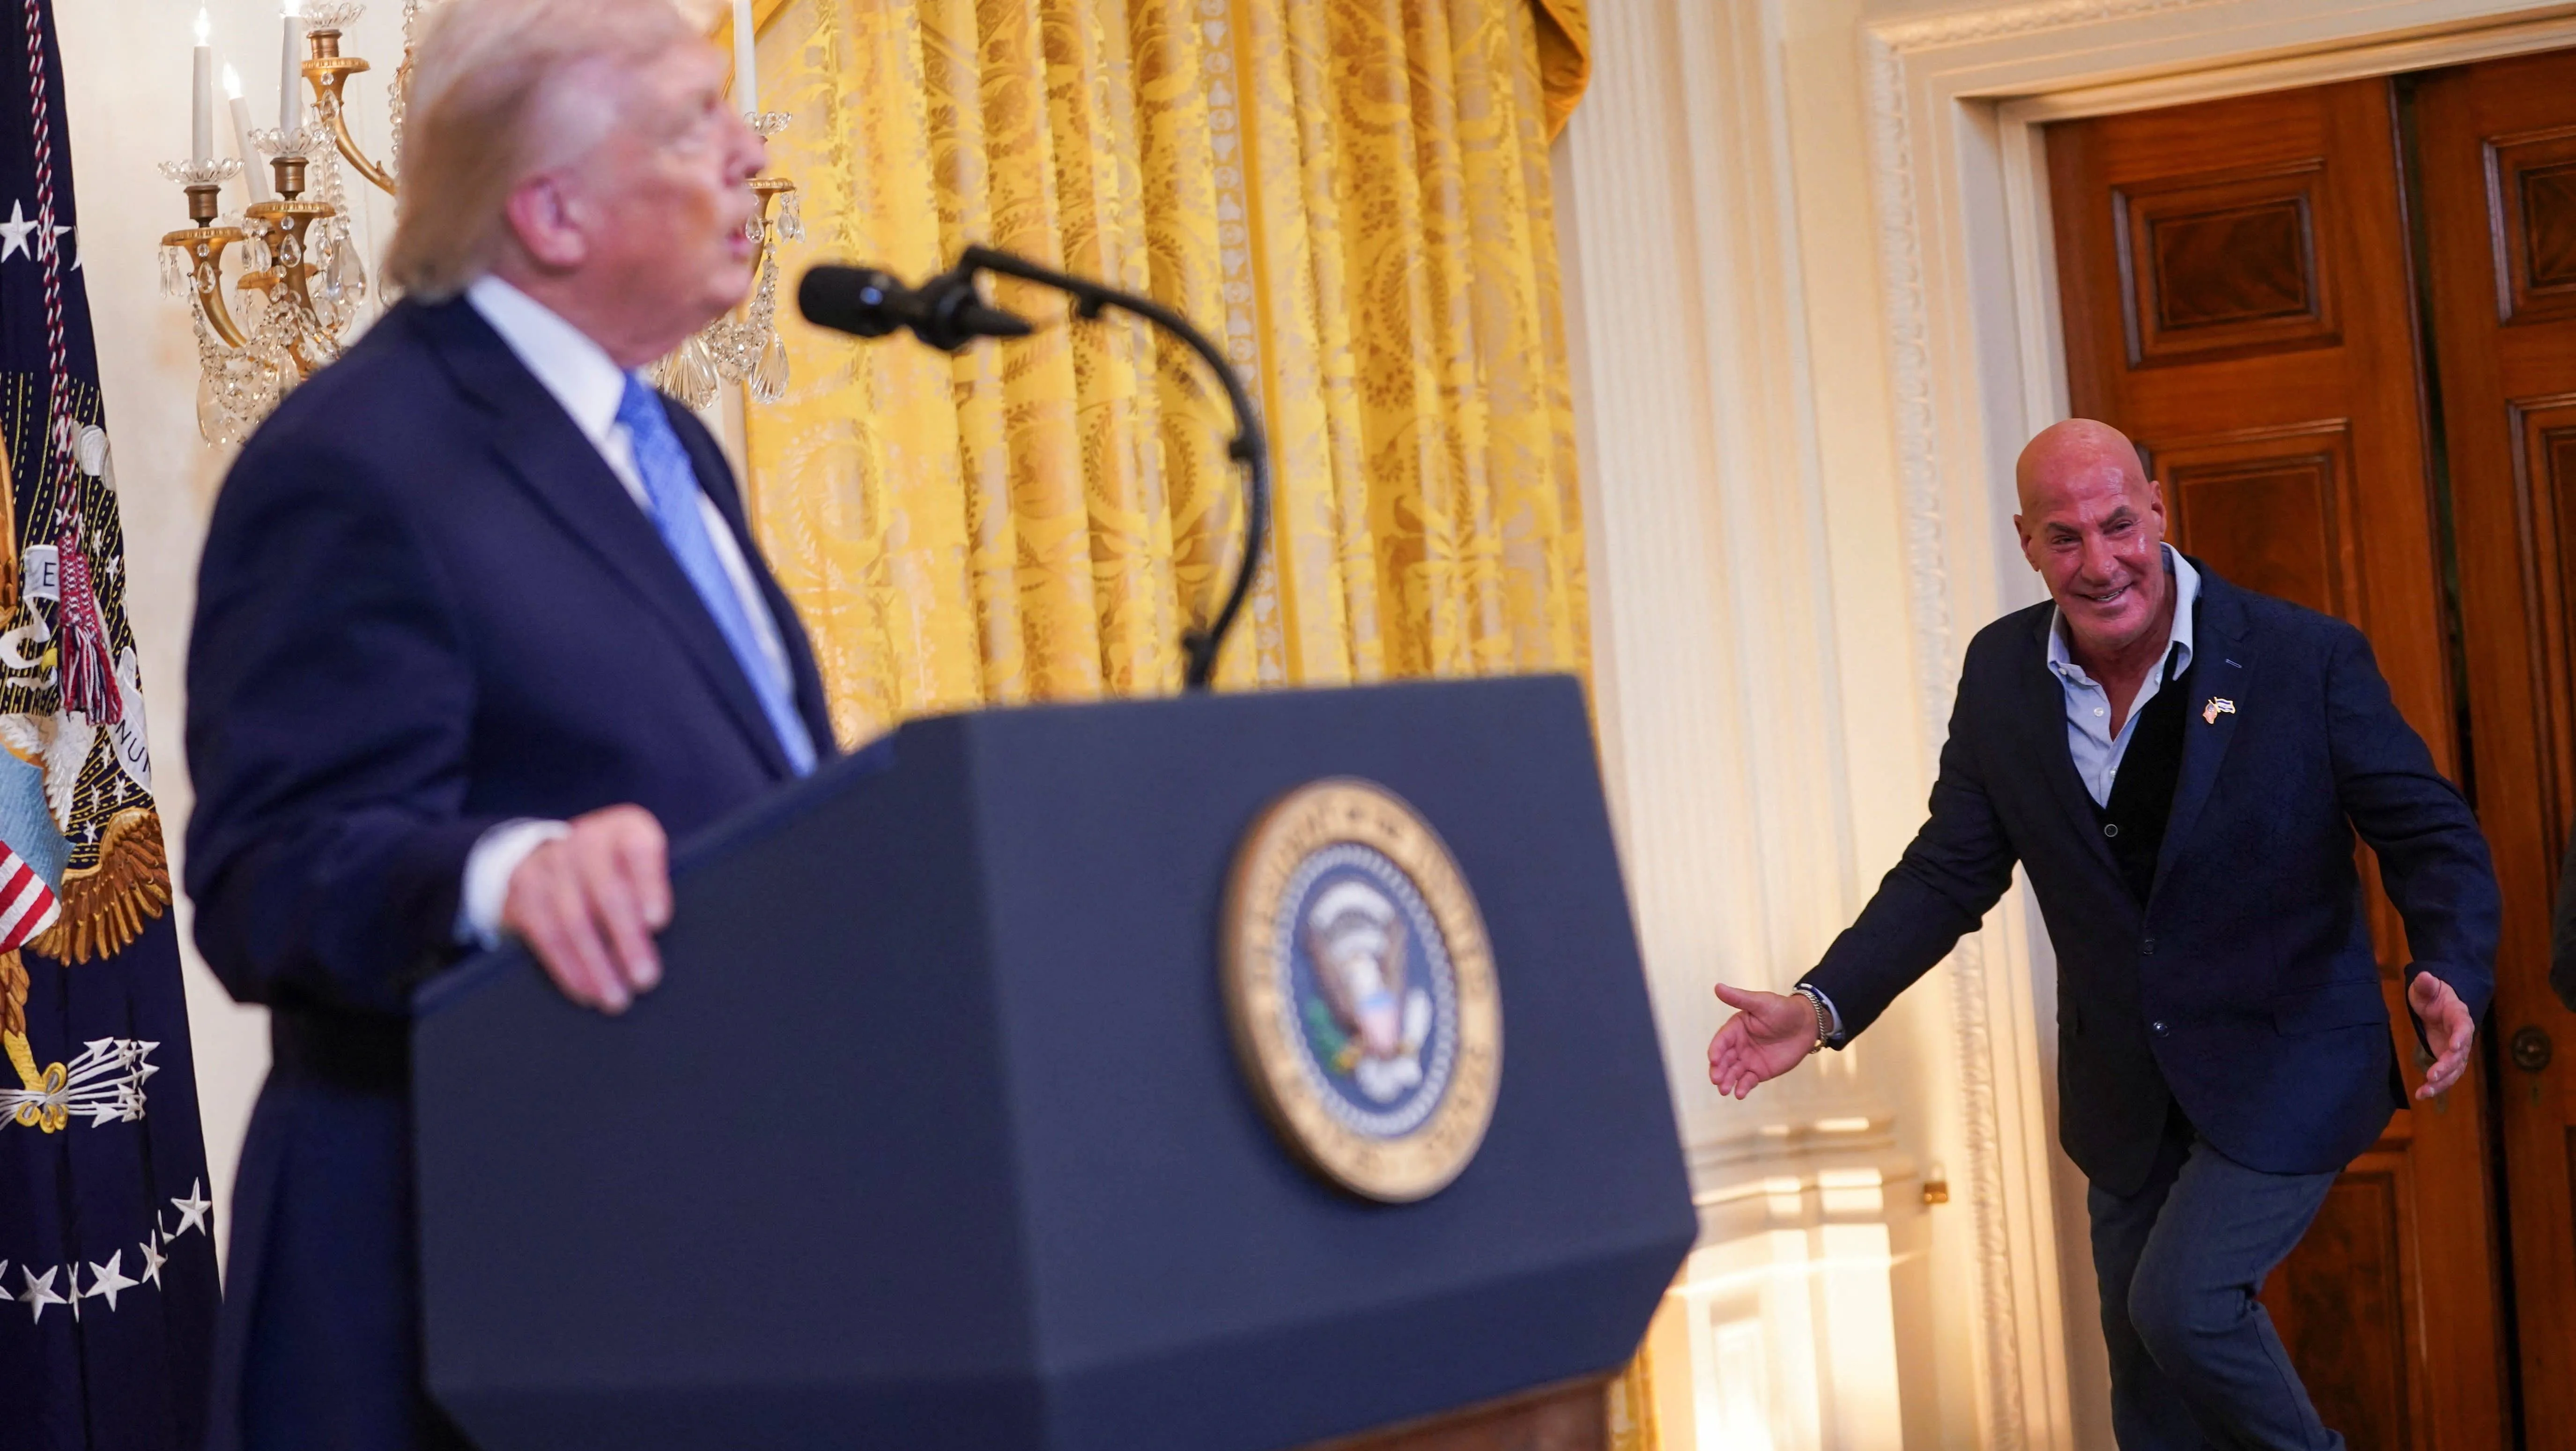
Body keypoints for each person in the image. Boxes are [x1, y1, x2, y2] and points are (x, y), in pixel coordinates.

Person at [182, 1, 834, 1446]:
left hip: (693, 1270)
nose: (750, 153)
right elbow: (266, 871)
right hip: (458, 1314)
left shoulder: (674, 460)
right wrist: (505, 875)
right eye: (692, 121)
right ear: (550, 211)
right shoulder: (356, 463)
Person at [1706, 419, 2495, 1449]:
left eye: (2118, 525)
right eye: (2064, 537)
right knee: (2148, 1395)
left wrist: (2448, 968)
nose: (2100, 561)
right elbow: (1949, 868)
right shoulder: (2000, 674)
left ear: (2157, 510)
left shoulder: (2300, 659)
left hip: (2289, 1055)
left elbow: (2428, 831)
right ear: (2026, 544)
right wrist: (1819, 1004)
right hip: (2124, 1086)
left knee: (2181, 1304)